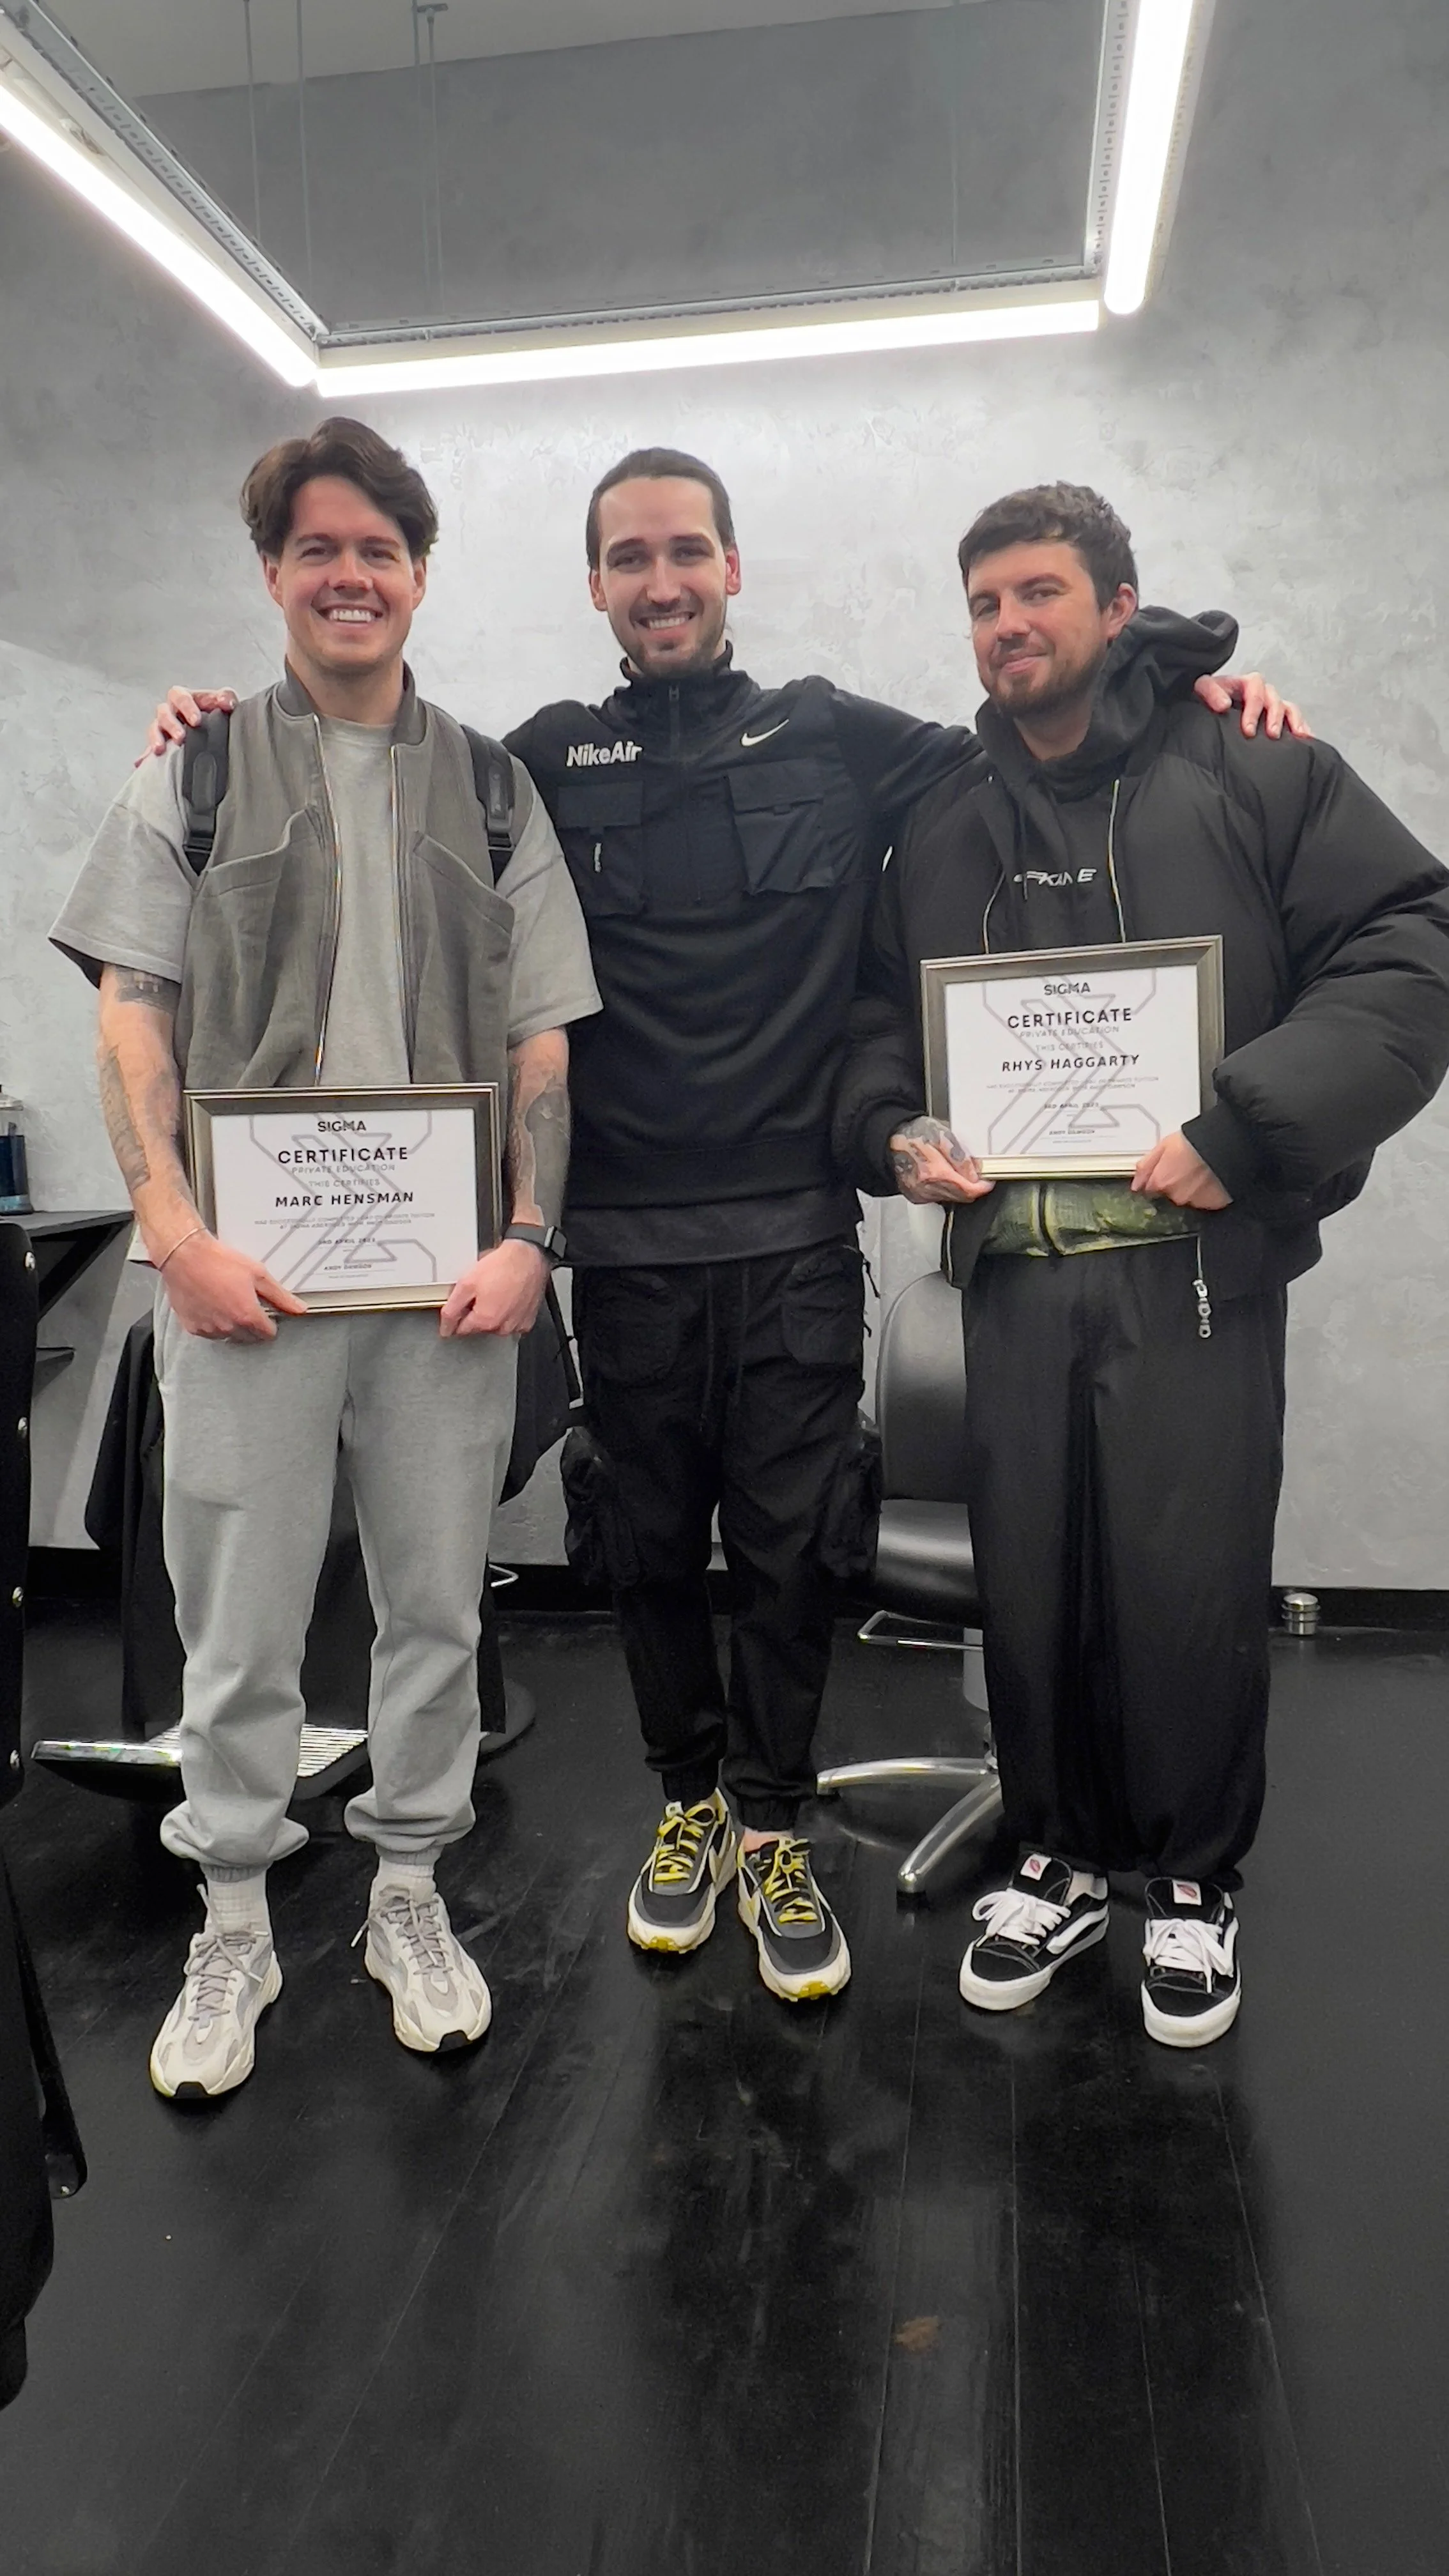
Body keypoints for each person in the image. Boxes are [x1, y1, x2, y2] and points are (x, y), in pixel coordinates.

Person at [144, 446, 1298, 2008]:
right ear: (597, 585)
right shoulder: (537, 763)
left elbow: (1035, 731)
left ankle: (772, 1822)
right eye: (629, 558)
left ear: (732, 568)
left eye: (687, 550)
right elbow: (369, 759)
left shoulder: (840, 737)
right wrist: (209, 728)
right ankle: (685, 1804)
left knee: (790, 1556)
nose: (662, 580)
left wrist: (1190, 687)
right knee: (644, 1556)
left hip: (794, 1246)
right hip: (621, 1248)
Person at [835, 480, 1449, 2046]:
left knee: (1185, 1586)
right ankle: (1054, 1857)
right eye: (984, 603)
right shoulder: (942, 814)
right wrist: (896, 1129)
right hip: (1016, 1276)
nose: (1007, 626)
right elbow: (876, 1018)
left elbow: (1409, 946)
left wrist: (1246, 1128)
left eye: (1039, 592)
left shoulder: (1256, 766)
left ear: (1120, 607)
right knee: (1033, 1588)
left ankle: (1189, 1880)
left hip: (1191, 1276)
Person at [53, 418, 600, 2098]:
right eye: (317, 550)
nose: (349, 575)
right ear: (274, 573)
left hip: (448, 1295)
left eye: (378, 550)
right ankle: (232, 1917)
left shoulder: (492, 787)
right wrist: (173, 1235)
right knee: (236, 1619)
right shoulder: (197, 775)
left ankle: (408, 1894)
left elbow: (541, 1041)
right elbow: (131, 1017)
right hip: (243, 1286)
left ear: (418, 575)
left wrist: (529, 1237)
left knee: (434, 1607)